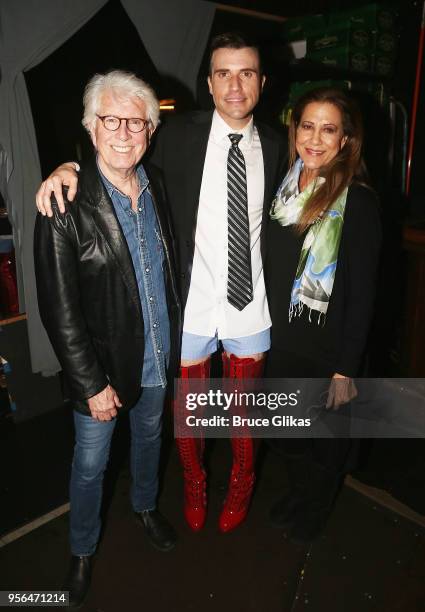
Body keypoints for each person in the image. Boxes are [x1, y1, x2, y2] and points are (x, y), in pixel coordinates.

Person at [35, 32, 287, 534]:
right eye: (222, 73)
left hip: (250, 308)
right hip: (190, 310)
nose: (235, 85)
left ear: (262, 81)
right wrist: (65, 168)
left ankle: (241, 485)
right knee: (187, 421)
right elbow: (112, 147)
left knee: (244, 420)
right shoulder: (176, 136)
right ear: (209, 84)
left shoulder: (280, 146)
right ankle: (192, 484)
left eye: (246, 73)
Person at [34, 70, 181, 608]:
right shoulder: (64, 201)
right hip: (98, 370)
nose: (124, 132)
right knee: (90, 464)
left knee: (148, 442)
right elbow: (59, 310)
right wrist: (91, 384)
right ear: (90, 128)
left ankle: (144, 506)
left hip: (157, 355)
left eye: (136, 122)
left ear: (151, 129)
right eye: (110, 120)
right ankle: (81, 550)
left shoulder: (157, 184)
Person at [264, 87, 381, 544]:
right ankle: (298, 495)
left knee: (323, 443)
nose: (315, 139)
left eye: (328, 128)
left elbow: (365, 296)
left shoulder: (360, 202)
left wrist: (344, 370)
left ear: (346, 140)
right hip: (283, 343)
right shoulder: (283, 194)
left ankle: (315, 509)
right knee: (289, 435)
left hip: (328, 350)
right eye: (307, 126)